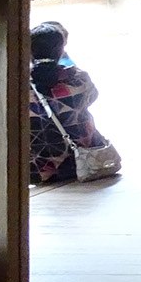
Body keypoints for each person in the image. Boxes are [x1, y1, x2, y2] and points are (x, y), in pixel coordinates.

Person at [27, 22, 107, 185]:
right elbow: (93, 97)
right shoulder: (79, 81)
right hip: (85, 162)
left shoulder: (18, 88)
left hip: (38, 170)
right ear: (61, 50)